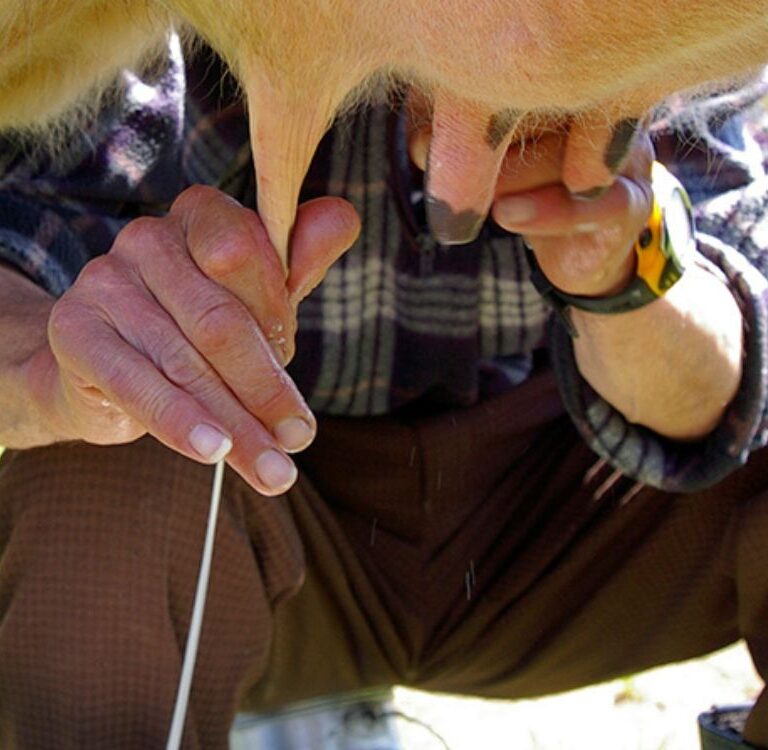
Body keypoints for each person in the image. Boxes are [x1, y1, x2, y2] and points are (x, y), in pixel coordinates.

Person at [0, 7, 768, 749]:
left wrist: (626, 272)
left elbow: (726, 392)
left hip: (565, 524)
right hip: (255, 517)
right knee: (107, 450)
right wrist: (59, 367)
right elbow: (20, 219)